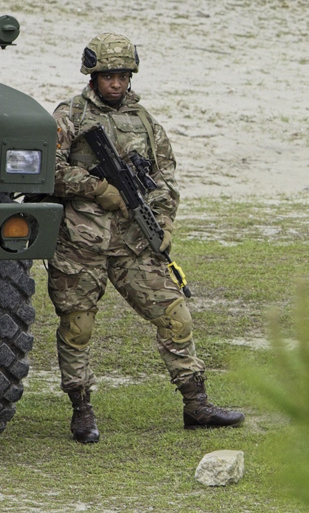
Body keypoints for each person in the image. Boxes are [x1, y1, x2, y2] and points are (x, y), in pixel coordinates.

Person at [47, 32, 245, 443]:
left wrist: (165, 221)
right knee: (78, 326)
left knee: (175, 315)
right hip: (81, 244)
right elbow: (47, 171)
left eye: (122, 75)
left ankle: (196, 403)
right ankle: (81, 409)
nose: (116, 83)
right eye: (108, 76)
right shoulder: (70, 115)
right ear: (93, 75)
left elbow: (165, 177)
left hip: (134, 242)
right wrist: (99, 189)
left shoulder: (145, 122)